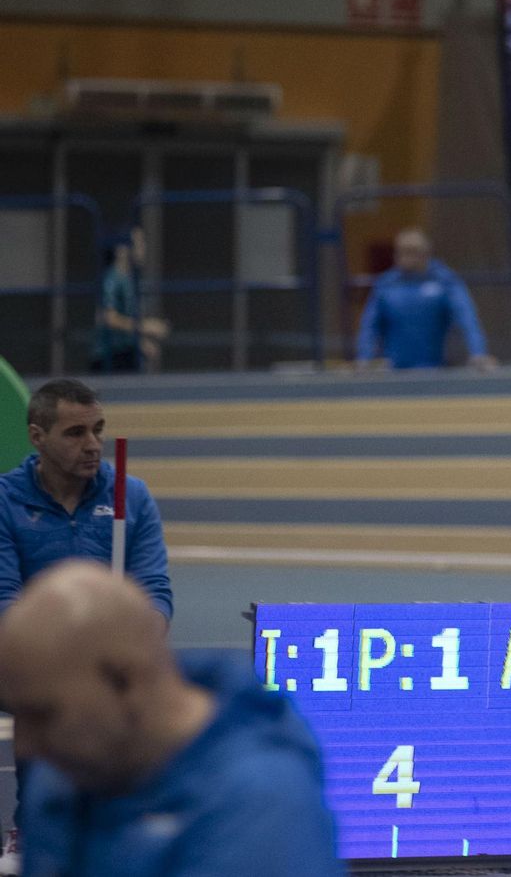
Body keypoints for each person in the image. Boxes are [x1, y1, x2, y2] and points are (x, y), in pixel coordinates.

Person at [0, 562, 343, 876]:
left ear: (126, 681)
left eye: (43, 714)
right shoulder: (61, 774)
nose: (27, 746)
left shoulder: (267, 807)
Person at [0, 378, 171, 867]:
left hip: (111, 658)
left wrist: (138, 649)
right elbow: (5, 599)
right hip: (23, 656)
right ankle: (30, 829)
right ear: (37, 437)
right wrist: (65, 659)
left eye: (98, 430)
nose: (93, 444)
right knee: (60, 697)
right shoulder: (4, 501)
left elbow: (155, 593)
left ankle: (120, 823)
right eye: (75, 433)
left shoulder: (130, 496)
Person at [355, 228, 497, 371]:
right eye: (401, 251)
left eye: (411, 251)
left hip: (435, 369)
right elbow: (370, 325)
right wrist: (364, 358)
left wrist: (478, 353)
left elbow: (467, 319)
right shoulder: (386, 284)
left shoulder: (445, 281)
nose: (405, 257)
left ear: (425, 254)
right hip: (395, 369)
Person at [93, 227, 169, 374]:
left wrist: (139, 342)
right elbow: (109, 318)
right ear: (122, 249)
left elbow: (125, 322)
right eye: (138, 243)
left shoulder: (130, 280)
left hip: (126, 354)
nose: (142, 248)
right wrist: (145, 326)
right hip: (109, 358)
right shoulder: (112, 279)